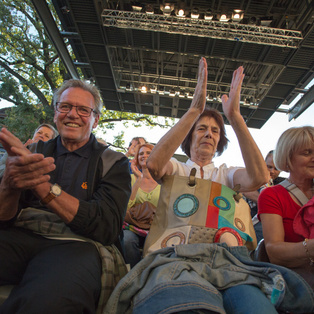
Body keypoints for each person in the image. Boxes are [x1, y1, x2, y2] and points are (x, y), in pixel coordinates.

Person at [104, 58, 314, 314]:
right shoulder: (176, 168)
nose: (208, 134)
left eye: (215, 131)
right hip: (177, 256)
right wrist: (193, 110)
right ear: (189, 136)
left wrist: (235, 117)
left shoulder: (226, 174)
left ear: (219, 141)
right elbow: (156, 165)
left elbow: (259, 177)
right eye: (201, 129)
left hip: (229, 262)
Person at [0, 79, 131, 313]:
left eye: (83, 110)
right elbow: (4, 219)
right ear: (55, 112)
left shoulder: (114, 162)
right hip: (21, 234)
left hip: (78, 245)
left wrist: (45, 187)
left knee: (47, 303)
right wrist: (9, 185)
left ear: (96, 119)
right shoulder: (31, 152)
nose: (73, 114)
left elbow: (106, 227)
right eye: (65, 106)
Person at [258, 126, 314, 270]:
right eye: (307, 153)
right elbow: (274, 251)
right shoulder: (272, 195)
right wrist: (310, 247)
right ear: (287, 158)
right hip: (296, 279)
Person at [123, 143, 160, 268]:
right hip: (133, 226)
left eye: (148, 153)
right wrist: (138, 179)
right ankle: (134, 274)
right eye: (141, 153)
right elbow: (126, 206)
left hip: (155, 228)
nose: (144, 155)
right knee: (127, 240)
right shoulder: (131, 178)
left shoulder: (163, 181)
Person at [244, 150, 285, 243]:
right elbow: (243, 189)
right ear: (263, 163)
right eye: (269, 167)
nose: (272, 171)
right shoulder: (250, 177)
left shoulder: (283, 185)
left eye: (276, 168)